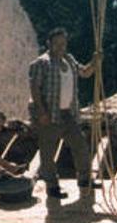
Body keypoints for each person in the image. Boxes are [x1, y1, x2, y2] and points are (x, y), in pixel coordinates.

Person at [29, 27, 99, 199]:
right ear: (49, 44)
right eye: (57, 43)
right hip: (50, 113)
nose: (61, 47)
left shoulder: (69, 60)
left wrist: (95, 61)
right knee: (48, 152)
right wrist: (41, 112)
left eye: (63, 43)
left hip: (69, 113)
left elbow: (85, 73)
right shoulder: (41, 63)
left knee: (81, 147)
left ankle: (84, 179)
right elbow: (35, 89)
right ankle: (52, 187)